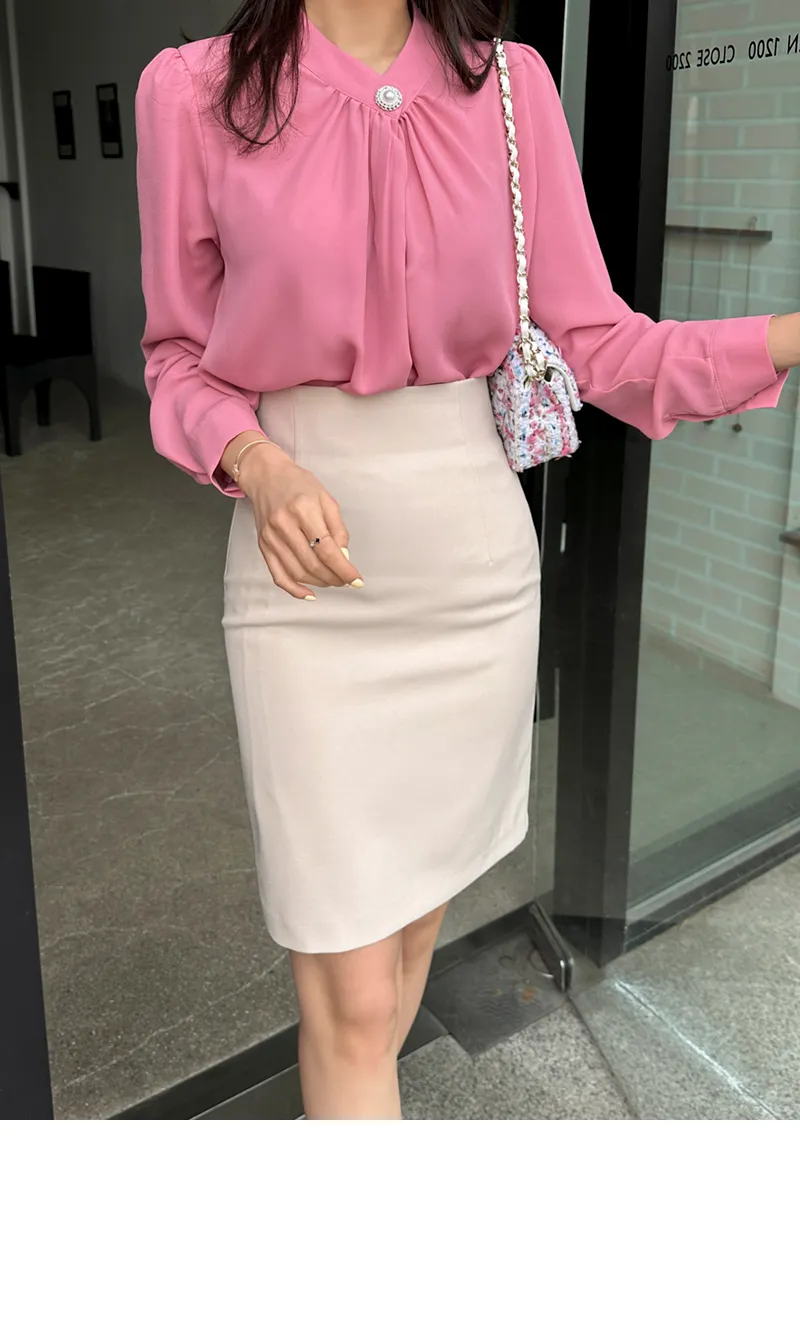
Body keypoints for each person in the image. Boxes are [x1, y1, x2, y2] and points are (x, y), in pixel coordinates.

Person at [136, 0, 795, 1120]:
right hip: (306, 593)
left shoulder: (510, 86)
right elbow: (177, 356)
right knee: (347, 992)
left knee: (400, 957)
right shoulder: (194, 92)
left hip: (474, 582)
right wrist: (256, 460)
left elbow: (605, 347)